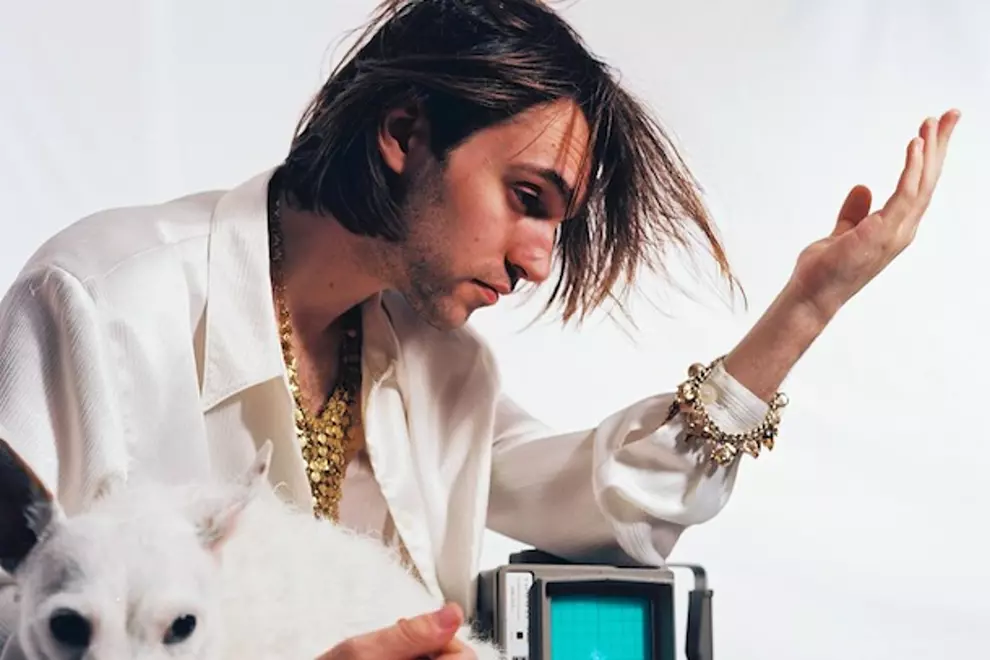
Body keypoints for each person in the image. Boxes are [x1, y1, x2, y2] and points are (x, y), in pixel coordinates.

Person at [0, 0, 959, 657]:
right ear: (404, 132)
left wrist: (808, 307)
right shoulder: (98, 302)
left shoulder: (445, 368)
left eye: (558, 223)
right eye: (527, 197)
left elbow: (610, 504)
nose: (539, 259)